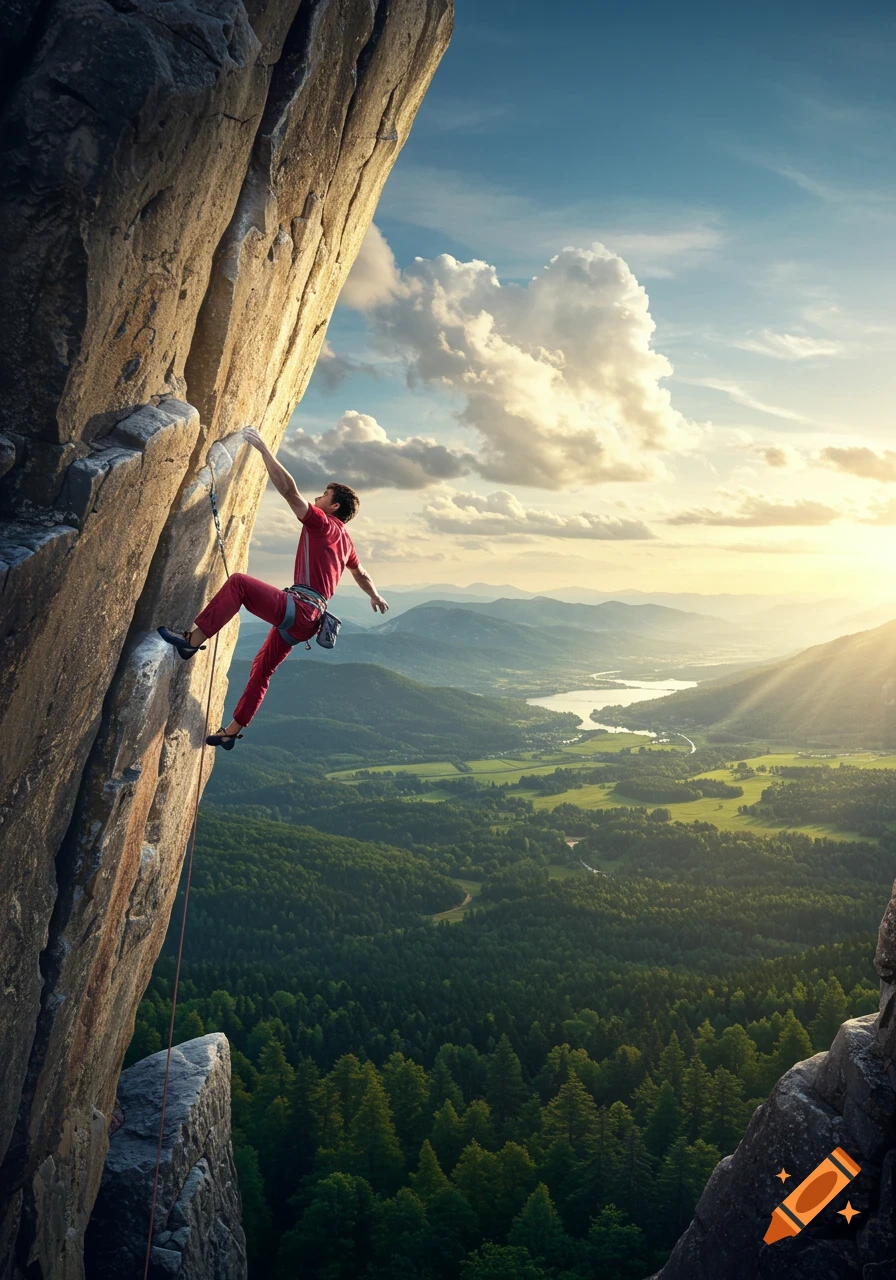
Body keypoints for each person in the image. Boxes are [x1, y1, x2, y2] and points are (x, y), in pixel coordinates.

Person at [158, 426, 388, 748]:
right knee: (261, 669)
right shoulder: (346, 541)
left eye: (323, 495)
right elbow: (361, 572)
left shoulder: (322, 523)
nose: (317, 498)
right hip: (308, 620)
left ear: (334, 506)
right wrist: (374, 595)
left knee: (238, 584)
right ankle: (231, 732)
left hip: (301, 608)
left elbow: (290, 492)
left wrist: (264, 450)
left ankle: (190, 641)